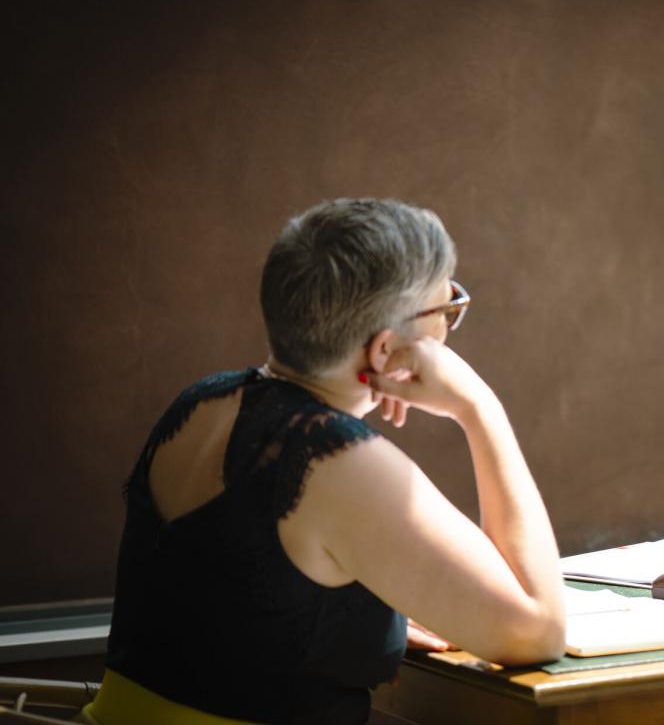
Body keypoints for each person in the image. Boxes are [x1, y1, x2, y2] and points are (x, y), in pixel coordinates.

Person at [92, 199, 565, 725]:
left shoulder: (200, 401)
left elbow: (229, 605)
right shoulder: (337, 459)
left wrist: (350, 623)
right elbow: (540, 631)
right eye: (446, 310)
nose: (450, 327)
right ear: (384, 351)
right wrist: (479, 408)